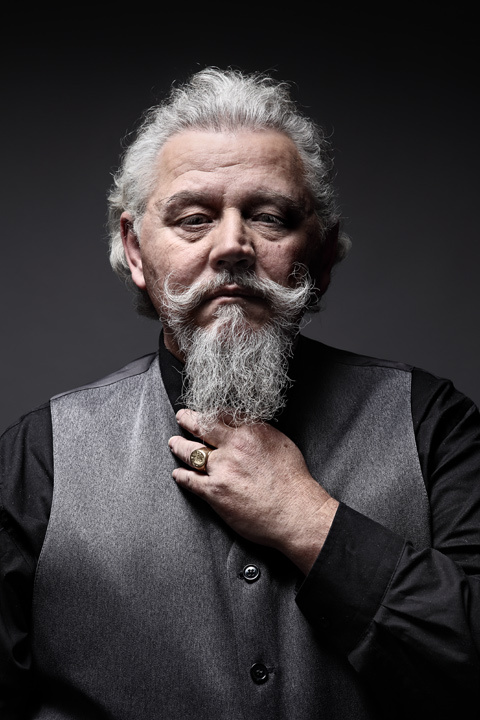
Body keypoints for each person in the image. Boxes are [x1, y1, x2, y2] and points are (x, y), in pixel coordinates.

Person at [1, 67, 479, 720]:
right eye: (194, 219)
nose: (233, 246)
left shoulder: (433, 425)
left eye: (270, 217)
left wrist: (308, 520)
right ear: (135, 250)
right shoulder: (39, 457)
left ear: (324, 254)